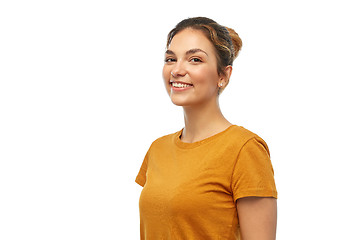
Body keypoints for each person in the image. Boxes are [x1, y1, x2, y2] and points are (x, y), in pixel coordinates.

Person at [135, 17, 278, 240]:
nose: (177, 70)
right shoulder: (157, 149)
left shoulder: (245, 149)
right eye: (170, 59)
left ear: (223, 76)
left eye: (194, 59)